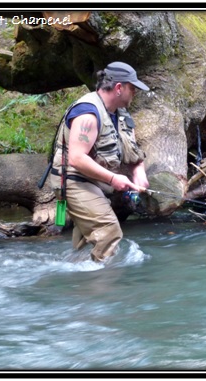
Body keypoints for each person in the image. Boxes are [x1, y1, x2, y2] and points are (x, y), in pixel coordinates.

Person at [50, 61, 150, 262]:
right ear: (119, 88)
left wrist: (139, 172)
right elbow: (77, 158)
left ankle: (77, 278)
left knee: (87, 244)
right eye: (133, 88)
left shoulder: (120, 114)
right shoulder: (88, 113)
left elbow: (133, 151)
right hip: (72, 181)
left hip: (94, 182)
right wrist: (114, 179)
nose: (135, 93)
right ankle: (102, 287)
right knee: (108, 232)